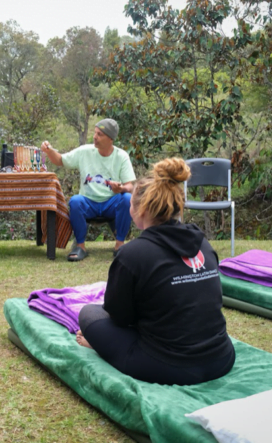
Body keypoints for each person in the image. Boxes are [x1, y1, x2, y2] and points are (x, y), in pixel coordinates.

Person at [75, 158, 235, 385]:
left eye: (131, 203)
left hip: (169, 366)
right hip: (221, 357)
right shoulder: (203, 244)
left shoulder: (132, 254)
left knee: (89, 314)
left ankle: (104, 348)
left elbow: (119, 317)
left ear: (140, 209)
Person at [41, 119, 136, 261]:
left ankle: (119, 245)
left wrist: (121, 188)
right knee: (75, 201)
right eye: (95, 133)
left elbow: (130, 186)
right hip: (89, 202)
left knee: (127, 198)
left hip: (110, 201)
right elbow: (60, 160)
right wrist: (49, 150)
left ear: (110, 139)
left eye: (100, 134)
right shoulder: (85, 151)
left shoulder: (121, 156)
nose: (95, 137)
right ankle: (80, 246)